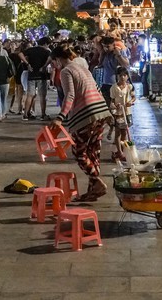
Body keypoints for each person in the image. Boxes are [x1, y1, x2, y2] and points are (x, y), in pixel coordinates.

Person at [50, 45, 112, 202]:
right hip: (100, 111)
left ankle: (97, 181)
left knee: (79, 152)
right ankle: (93, 190)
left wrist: (60, 117)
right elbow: (96, 88)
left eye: (54, 62)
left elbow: (69, 95)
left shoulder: (66, 71)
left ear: (58, 59)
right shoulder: (82, 67)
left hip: (86, 114)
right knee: (93, 152)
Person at [109, 66, 136, 161]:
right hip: (118, 113)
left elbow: (134, 97)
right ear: (117, 76)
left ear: (127, 76)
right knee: (117, 133)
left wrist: (131, 102)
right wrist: (114, 105)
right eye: (120, 75)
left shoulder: (129, 87)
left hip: (127, 113)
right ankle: (120, 152)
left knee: (124, 132)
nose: (123, 77)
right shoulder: (114, 88)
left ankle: (122, 150)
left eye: (124, 75)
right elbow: (111, 101)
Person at [23, 37, 52, 120]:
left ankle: (25, 114)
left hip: (31, 75)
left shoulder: (31, 50)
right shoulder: (46, 51)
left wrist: (27, 64)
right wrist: (45, 66)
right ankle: (43, 114)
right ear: (46, 44)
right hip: (42, 75)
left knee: (30, 95)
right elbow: (51, 58)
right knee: (42, 96)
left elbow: (20, 54)